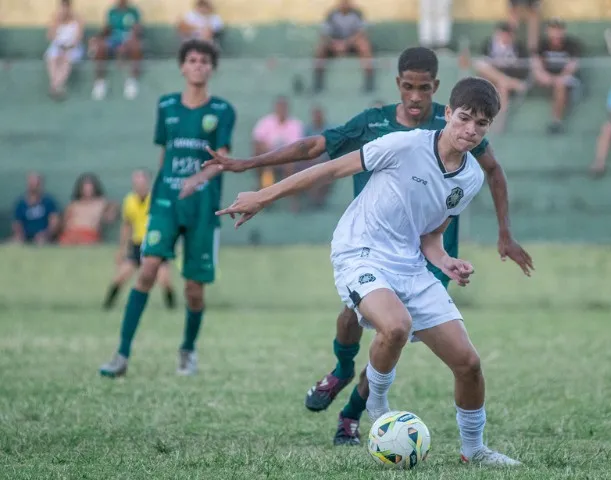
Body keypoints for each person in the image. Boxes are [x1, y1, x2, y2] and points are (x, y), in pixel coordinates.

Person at [191, 46, 533, 447]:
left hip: (409, 264)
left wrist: (447, 260)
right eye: (464, 118)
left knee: (469, 364)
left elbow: (430, 235)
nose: (471, 130)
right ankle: (377, 407)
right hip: (360, 251)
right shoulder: (403, 143)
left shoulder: (471, 177)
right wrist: (262, 196)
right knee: (394, 326)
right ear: (448, 113)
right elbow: (330, 166)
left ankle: (475, 451)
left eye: (481, 124)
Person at [98, 39, 236, 378]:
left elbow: (223, 160)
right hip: (165, 201)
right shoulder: (167, 106)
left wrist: (198, 178)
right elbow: (165, 154)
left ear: (211, 68)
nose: (198, 65)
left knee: (193, 288)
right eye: (192, 60)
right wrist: (169, 184)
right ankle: (121, 354)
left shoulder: (222, 110)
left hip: (203, 205)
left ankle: (188, 350)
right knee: (147, 268)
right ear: (182, 67)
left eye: (204, 61)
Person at [103, 169, 175, 310]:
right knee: (120, 277)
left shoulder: (156, 199)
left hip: (155, 245)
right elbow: (127, 226)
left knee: (165, 280)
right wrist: (122, 249)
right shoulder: (129, 201)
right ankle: (107, 306)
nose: (139, 185)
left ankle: (171, 308)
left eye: (142, 182)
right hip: (137, 245)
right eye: (137, 182)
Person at [58, 173, 117, 245]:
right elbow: (64, 222)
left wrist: (108, 214)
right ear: (80, 189)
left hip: (90, 235)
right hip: (71, 234)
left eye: (90, 188)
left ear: (95, 189)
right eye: (85, 188)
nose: (88, 190)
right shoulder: (74, 205)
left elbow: (112, 212)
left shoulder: (101, 203)